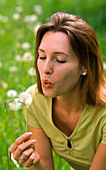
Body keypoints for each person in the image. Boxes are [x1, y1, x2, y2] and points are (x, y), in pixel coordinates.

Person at [10, 12, 106, 170]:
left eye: (60, 59)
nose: (46, 69)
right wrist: (35, 163)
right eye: (41, 57)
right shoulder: (35, 101)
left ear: (85, 66)